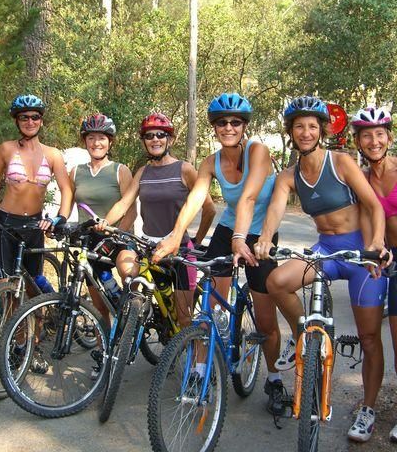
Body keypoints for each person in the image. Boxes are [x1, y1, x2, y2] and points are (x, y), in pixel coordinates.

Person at [254, 96, 389, 442]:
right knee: (277, 280)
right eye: (299, 126)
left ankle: (368, 409)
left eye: (312, 126)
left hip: (360, 253)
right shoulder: (289, 176)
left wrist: (376, 244)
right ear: (290, 132)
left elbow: (373, 206)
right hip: (326, 250)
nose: (306, 132)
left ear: (322, 130)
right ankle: (302, 335)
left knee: (369, 338)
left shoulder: (341, 162)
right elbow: (275, 210)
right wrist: (265, 238)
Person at [153, 92, 284, 415]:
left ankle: (275, 380)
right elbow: (196, 199)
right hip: (228, 230)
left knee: (266, 320)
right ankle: (200, 372)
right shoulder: (210, 162)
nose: (228, 127)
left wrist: (242, 239)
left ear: (244, 126)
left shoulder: (259, 151)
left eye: (235, 122)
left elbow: (249, 197)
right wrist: (175, 236)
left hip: (259, 234)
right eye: (222, 122)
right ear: (214, 127)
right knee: (209, 310)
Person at [96, 112, 215, 331]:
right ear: (144, 141)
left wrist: (196, 241)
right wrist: (105, 222)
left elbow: (209, 208)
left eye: (161, 135)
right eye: (149, 136)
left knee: (184, 319)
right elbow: (124, 203)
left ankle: (190, 350)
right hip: (148, 248)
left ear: (170, 139)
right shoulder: (143, 172)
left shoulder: (184, 169)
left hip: (179, 250)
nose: (155, 140)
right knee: (133, 281)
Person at [0, 94, 72, 282]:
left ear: (41, 121)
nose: (30, 122)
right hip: (6, 224)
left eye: (35, 117)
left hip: (35, 224)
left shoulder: (53, 154)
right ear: (17, 121)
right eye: (24, 117)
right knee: (5, 284)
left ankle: (39, 303)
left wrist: (60, 218)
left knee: (33, 283)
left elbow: (66, 189)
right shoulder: (6, 149)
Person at [350, 106, 397, 442]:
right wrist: (372, 253)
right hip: (381, 256)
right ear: (358, 141)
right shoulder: (361, 179)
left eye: (379, 133)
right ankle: (367, 410)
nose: (374, 141)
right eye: (366, 135)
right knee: (369, 338)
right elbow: (367, 218)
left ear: (389, 138)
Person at [70, 113, 136, 327]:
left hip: (119, 237)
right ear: (85, 141)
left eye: (101, 138)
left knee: (129, 274)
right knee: (100, 306)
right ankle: (105, 342)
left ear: (110, 142)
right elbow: (67, 205)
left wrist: (117, 234)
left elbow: (131, 212)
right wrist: (57, 222)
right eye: (91, 138)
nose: (96, 143)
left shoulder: (120, 170)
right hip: (90, 241)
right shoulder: (76, 172)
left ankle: (134, 318)